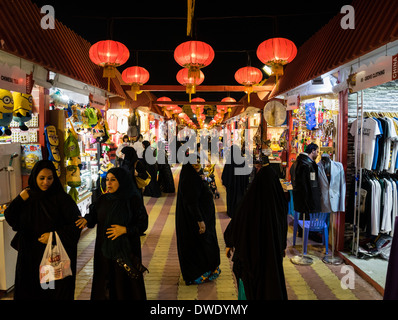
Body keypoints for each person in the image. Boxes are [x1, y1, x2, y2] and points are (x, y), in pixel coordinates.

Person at [4, 160, 81, 300]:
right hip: (29, 257)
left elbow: (75, 225)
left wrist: (54, 236)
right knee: (29, 292)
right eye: (42, 178)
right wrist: (19, 199)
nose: (46, 182)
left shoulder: (62, 200)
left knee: (49, 293)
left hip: (51, 259)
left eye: (50, 178)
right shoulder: (27, 197)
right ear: (34, 177)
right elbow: (10, 217)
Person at [75, 167, 148, 300]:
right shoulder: (103, 199)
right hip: (104, 252)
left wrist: (125, 230)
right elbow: (94, 215)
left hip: (125, 252)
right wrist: (86, 220)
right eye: (107, 180)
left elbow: (143, 224)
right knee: (105, 283)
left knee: (124, 285)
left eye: (113, 180)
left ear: (122, 181)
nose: (108, 183)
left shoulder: (132, 200)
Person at [224, 164, 288, 300]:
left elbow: (236, 222)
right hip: (271, 255)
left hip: (251, 256)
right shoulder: (279, 203)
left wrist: (229, 243)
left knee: (251, 287)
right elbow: (282, 227)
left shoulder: (248, 202)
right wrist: (282, 247)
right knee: (271, 283)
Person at [175, 156, 221, 285]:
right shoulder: (190, 179)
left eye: (198, 163)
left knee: (205, 243)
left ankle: (209, 268)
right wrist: (200, 220)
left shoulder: (196, 176)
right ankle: (196, 273)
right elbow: (191, 203)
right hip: (195, 221)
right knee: (199, 244)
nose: (197, 166)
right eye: (194, 164)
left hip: (204, 219)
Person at [290, 142, 322, 216]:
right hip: (307, 202)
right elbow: (307, 185)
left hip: (302, 201)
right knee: (306, 222)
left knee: (303, 221)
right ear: (312, 151)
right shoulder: (306, 165)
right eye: (317, 151)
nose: (317, 154)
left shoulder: (298, 163)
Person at [221, 144, 250, 218]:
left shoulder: (229, 161)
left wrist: (227, 183)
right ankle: (239, 212)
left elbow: (225, 175)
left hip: (231, 187)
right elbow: (247, 173)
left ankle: (231, 211)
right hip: (241, 186)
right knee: (240, 198)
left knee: (231, 199)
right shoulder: (243, 160)